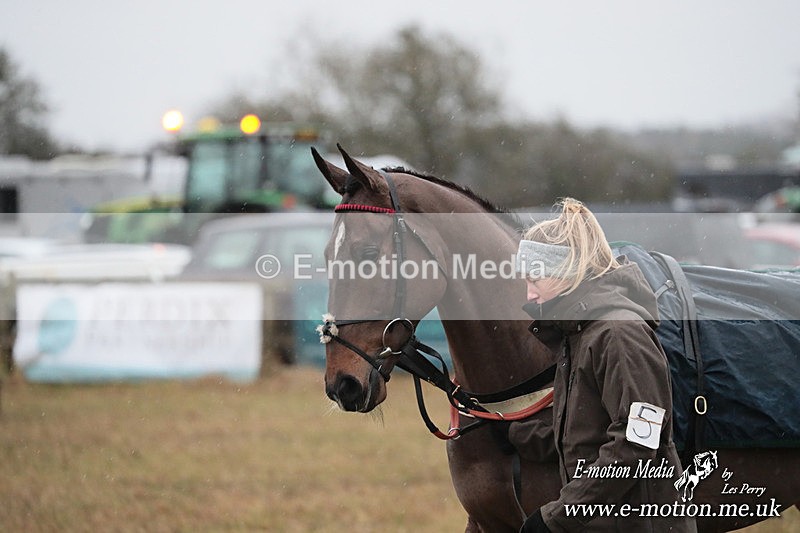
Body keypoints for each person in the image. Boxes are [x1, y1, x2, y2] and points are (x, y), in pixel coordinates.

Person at [515, 198, 696, 532]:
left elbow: (638, 442)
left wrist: (558, 518)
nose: (529, 294)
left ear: (567, 271)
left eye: (535, 280)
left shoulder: (619, 334)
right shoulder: (579, 334)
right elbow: (586, 432)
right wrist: (510, 432)